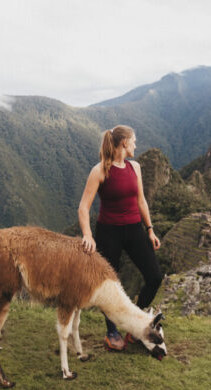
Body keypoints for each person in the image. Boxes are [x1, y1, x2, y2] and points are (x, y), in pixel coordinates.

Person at [78, 125, 162, 350]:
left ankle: (135, 324)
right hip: (108, 233)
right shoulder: (100, 171)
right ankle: (111, 332)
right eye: (134, 141)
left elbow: (141, 201)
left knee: (154, 277)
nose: (135, 145)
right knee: (110, 286)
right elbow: (84, 207)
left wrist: (150, 230)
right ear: (124, 143)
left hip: (134, 229)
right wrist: (88, 235)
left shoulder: (135, 167)